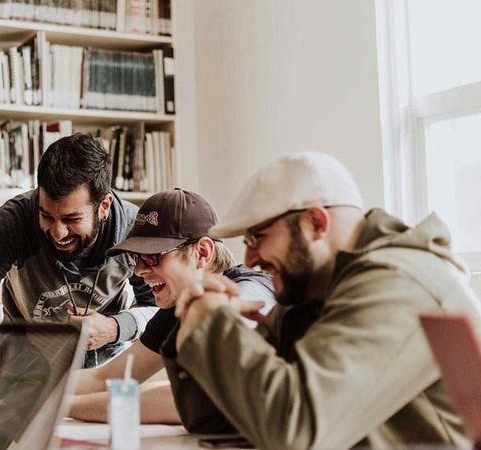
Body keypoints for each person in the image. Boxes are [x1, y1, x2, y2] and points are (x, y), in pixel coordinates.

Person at [168, 152, 481, 448]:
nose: (249, 260)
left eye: (257, 238)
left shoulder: (397, 284)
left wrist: (213, 324)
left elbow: (297, 431)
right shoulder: (314, 291)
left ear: (316, 222)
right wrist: (199, 320)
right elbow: (212, 418)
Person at [0, 133, 157, 397]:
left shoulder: (133, 229)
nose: (58, 232)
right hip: (23, 370)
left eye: (71, 219)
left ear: (104, 206)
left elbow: (157, 309)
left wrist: (116, 328)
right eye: (47, 215)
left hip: (101, 376)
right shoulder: (12, 223)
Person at [66, 188, 274, 425]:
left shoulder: (251, 291)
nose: (139, 271)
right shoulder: (177, 307)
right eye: (136, 258)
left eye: (153, 256)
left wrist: (62, 406)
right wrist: (31, 387)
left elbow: (195, 398)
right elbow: (106, 378)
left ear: (202, 252)